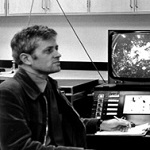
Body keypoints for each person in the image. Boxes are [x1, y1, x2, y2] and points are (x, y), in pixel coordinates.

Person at [0, 25, 131, 150]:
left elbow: (68, 124)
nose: (58, 54)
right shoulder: (8, 93)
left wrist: (101, 124)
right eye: (49, 50)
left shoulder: (49, 85)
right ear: (26, 58)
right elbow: (18, 147)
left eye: (56, 48)